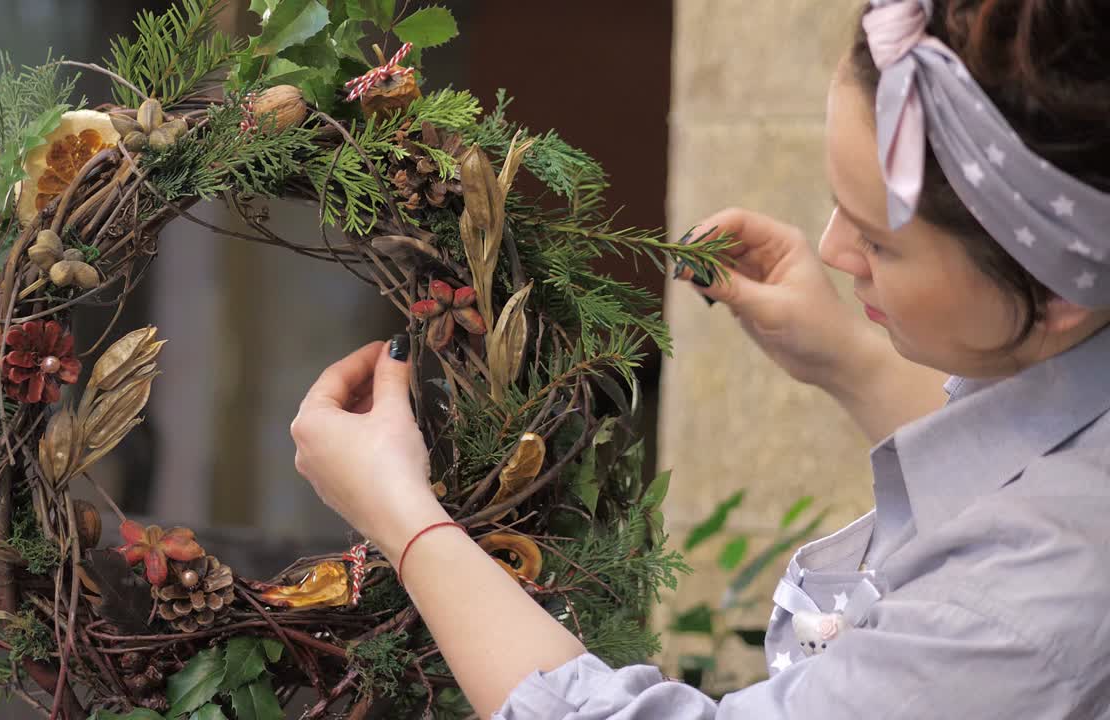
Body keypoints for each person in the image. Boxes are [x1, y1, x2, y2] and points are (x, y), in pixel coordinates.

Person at [289, 0, 1110, 717]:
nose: (832, 248)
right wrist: (846, 360)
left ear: (1058, 285)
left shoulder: (1033, 601)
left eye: (881, 242)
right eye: (838, 204)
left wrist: (406, 520)